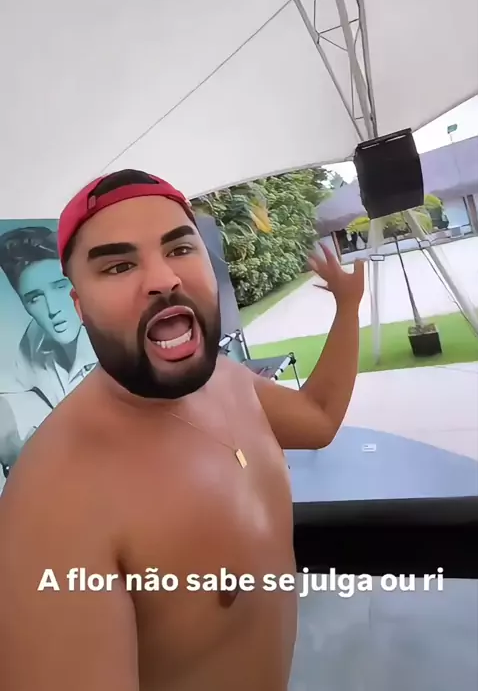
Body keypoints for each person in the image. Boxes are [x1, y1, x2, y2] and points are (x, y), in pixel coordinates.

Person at [0, 169, 364, 691]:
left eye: (179, 249)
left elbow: (319, 417)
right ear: (80, 307)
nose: (163, 278)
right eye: (119, 265)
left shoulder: (229, 381)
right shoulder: (56, 501)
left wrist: (348, 307)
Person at [0, 226, 98, 410]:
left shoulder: (116, 343)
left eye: (60, 287)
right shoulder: (34, 337)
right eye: (34, 298)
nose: (52, 309)